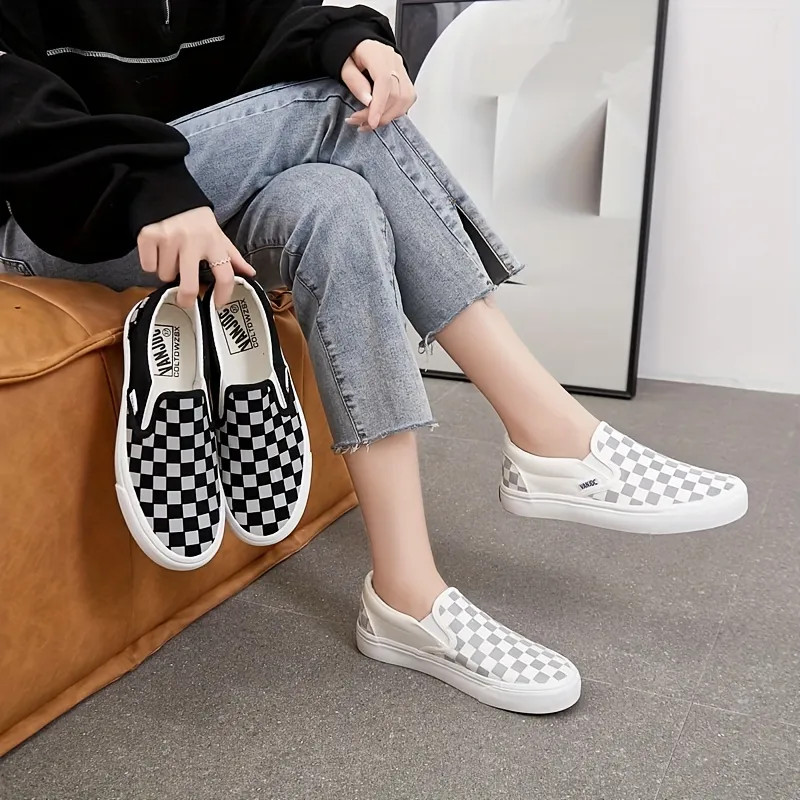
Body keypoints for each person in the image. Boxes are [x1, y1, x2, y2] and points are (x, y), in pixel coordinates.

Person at [0, 0, 747, 715]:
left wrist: (347, 40)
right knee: (336, 113)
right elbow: (19, 111)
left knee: (338, 204)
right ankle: (549, 433)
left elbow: (271, 26)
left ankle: (405, 595)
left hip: (194, 194)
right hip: (54, 216)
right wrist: (150, 184)